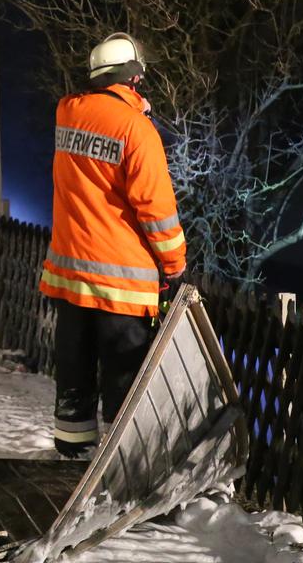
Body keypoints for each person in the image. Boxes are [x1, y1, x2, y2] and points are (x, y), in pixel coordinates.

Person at [40, 32, 187, 458]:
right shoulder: (136, 130)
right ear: (133, 80)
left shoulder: (66, 113)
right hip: (121, 284)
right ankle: (122, 461)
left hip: (71, 277)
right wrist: (175, 266)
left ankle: (71, 450)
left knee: (74, 368)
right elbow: (157, 211)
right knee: (124, 378)